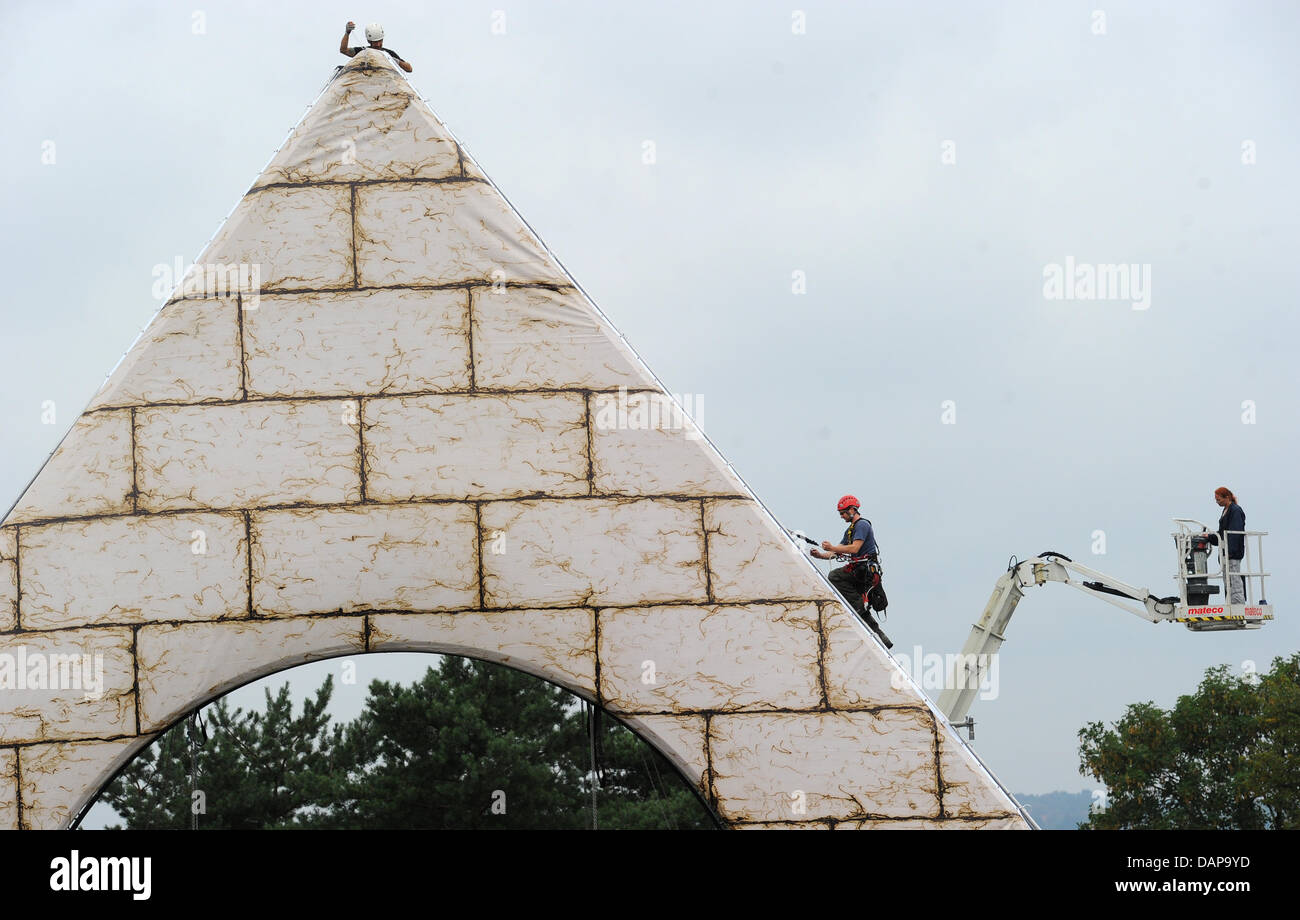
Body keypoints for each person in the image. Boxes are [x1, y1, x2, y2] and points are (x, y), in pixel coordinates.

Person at [811, 495, 892, 648]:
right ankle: (874, 628)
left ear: (852, 510)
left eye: (843, 513)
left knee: (835, 576)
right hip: (858, 570)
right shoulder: (850, 530)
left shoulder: (862, 525)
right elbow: (837, 552)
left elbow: (854, 548)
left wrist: (832, 547)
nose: (841, 516)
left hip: (864, 571)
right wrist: (821, 555)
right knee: (838, 579)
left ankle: (859, 609)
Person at [1204, 487, 1247, 604]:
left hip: (1232, 553)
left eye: (1218, 500)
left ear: (1227, 497)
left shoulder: (1235, 511)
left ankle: (1238, 604)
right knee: (1228, 580)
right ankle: (1231, 602)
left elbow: (1234, 533)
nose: (1217, 502)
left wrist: (1230, 552)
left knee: (1234, 579)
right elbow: (1222, 534)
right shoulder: (1226, 511)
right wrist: (1210, 537)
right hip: (1225, 553)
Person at [339, 21, 414, 72]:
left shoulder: (389, 53)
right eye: (375, 42)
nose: (378, 44)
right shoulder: (363, 52)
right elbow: (343, 50)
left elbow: (409, 69)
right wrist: (347, 33)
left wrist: (395, 60)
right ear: (369, 41)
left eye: (380, 41)